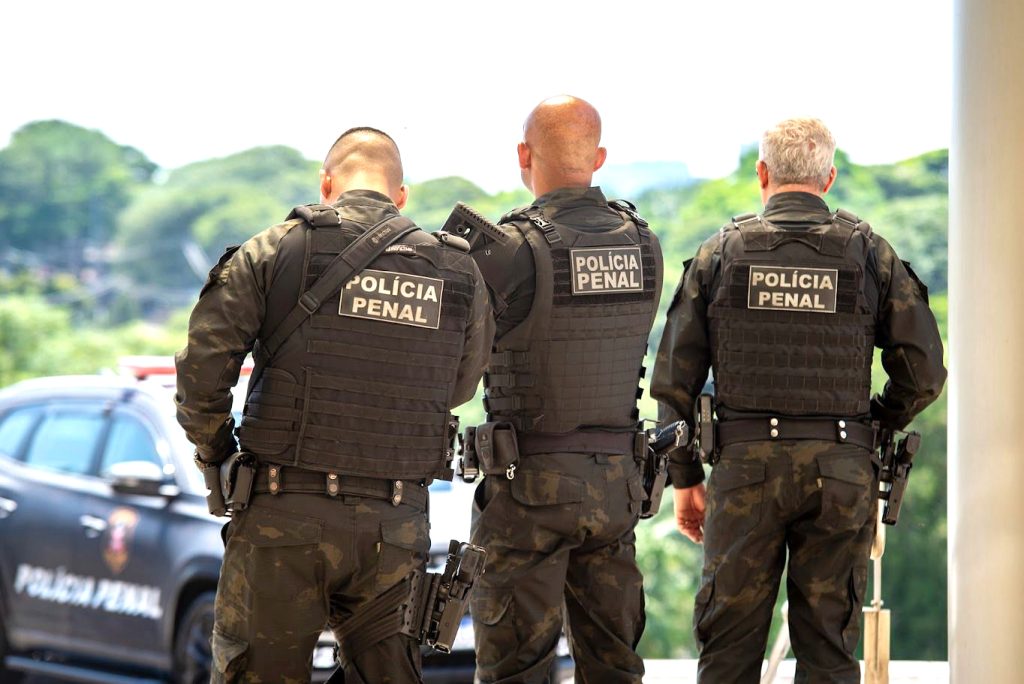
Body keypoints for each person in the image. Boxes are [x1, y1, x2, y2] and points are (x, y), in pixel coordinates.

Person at [174, 127, 494, 683]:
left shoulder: (275, 249)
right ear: (401, 196)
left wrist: (219, 456)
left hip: (281, 514)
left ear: (326, 185)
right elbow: (461, 387)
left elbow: (201, 375)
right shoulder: (458, 270)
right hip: (394, 524)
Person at [651, 117, 947, 683]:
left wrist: (685, 478)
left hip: (743, 474)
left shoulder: (720, 252)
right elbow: (924, 373)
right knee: (829, 654)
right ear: (829, 178)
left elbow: (674, 383)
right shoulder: (871, 254)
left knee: (728, 652)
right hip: (840, 473)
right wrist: (872, 424)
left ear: (762, 173)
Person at [464, 95, 662, 683]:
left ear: (523, 156)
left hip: (529, 487)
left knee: (515, 671)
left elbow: (457, 362)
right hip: (617, 488)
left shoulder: (509, 250)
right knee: (614, 667)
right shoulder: (643, 243)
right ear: (598, 158)